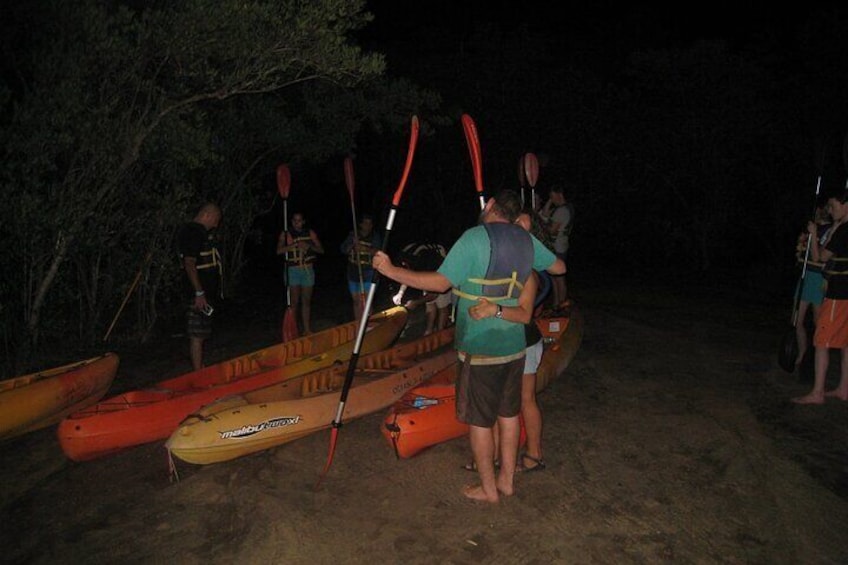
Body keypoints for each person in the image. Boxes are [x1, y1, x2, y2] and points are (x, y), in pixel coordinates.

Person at [373, 189, 565, 503]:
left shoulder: (474, 237)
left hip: (481, 347)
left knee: (480, 420)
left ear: (490, 206)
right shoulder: (524, 240)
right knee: (508, 414)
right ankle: (506, 483)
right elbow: (558, 268)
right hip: (515, 346)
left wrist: (391, 270)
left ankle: (489, 490)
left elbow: (440, 283)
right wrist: (527, 251)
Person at [793, 191, 848, 404]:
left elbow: (819, 257)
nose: (831, 211)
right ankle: (844, 388)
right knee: (845, 343)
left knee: (822, 341)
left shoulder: (843, 230)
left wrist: (815, 234)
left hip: (839, 294)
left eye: (834, 207)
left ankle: (817, 393)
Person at [176, 203, 223, 371]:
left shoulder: (200, 232)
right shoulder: (193, 232)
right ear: (207, 215)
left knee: (202, 332)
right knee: (196, 333)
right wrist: (199, 292)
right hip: (197, 293)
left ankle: (200, 367)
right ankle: (197, 371)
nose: (216, 224)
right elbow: (189, 262)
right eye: (215, 220)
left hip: (205, 292)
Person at [793, 203, 832, 370]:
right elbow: (800, 252)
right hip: (805, 276)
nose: (817, 213)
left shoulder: (829, 231)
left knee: (818, 323)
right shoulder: (811, 229)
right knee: (796, 320)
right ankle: (802, 353)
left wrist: (814, 236)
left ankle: (815, 359)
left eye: (820, 211)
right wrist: (801, 241)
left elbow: (821, 257)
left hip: (818, 279)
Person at [277, 211, 324, 334]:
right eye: (294, 220)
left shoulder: (310, 233)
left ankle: (307, 329)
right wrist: (293, 246)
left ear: (303, 221)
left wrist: (308, 246)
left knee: (306, 301)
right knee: (294, 302)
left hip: (307, 270)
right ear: (292, 221)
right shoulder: (286, 234)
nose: (297, 223)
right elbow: (279, 250)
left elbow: (321, 250)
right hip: (293, 271)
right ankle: (293, 330)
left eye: (299, 220)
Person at [395, 242, 453, 335]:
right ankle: (429, 331)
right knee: (430, 305)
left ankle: (440, 332)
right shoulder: (408, 258)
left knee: (442, 306)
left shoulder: (427, 264)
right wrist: (400, 293)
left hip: (442, 273)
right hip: (427, 268)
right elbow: (407, 276)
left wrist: (415, 302)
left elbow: (433, 295)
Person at [340, 213, 382, 321]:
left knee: (366, 301)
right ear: (361, 224)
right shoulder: (353, 235)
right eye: (365, 223)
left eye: (370, 224)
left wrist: (364, 248)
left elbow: (379, 252)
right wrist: (353, 245)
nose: (367, 226)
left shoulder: (375, 237)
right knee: (356, 301)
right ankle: (358, 324)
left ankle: (368, 324)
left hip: (369, 272)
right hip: (353, 272)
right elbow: (343, 249)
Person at [538, 184, 574, 305]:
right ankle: (556, 303)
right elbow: (544, 213)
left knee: (559, 278)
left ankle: (562, 304)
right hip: (556, 247)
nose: (552, 200)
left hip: (559, 247)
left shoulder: (562, 211)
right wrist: (549, 200)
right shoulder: (560, 209)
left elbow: (552, 230)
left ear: (560, 195)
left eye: (553, 197)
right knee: (553, 277)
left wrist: (542, 227)